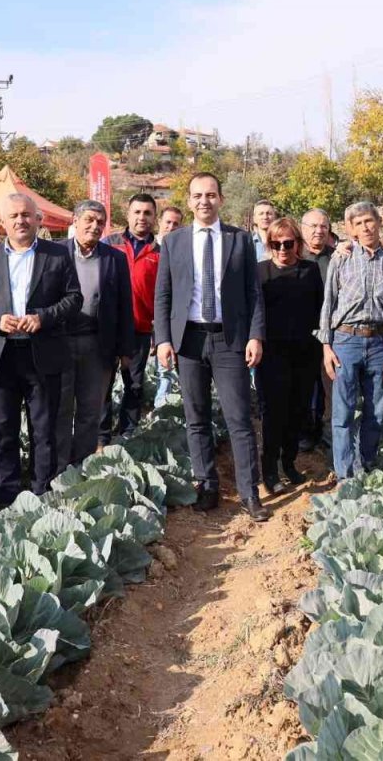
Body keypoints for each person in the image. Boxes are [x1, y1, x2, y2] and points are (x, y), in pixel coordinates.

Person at [154, 172, 269, 522]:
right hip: (189, 340)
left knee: (238, 420)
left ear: (220, 198)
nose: (204, 201)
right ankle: (207, 487)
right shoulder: (174, 242)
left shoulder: (239, 240)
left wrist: (255, 335)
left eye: (211, 195)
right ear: (189, 201)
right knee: (196, 419)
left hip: (229, 339)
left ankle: (250, 494)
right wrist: (162, 339)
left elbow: (253, 293)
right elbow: (164, 295)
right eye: (197, 195)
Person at [0, 193, 83, 504]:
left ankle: (43, 493)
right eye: (14, 216)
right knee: (2, 431)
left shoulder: (57, 255)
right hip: (0, 358)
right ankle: (7, 497)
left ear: (38, 219)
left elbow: (74, 299)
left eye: (27, 215)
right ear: (3, 222)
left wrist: (42, 318)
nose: (21, 221)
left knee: (44, 431)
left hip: (42, 354)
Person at [318, 201, 383, 482]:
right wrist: (326, 347)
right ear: (351, 230)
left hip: (380, 343)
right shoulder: (341, 258)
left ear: (379, 222)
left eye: (370, 221)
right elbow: (328, 304)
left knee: (376, 411)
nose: (366, 227)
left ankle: (366, 464)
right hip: (345, 341)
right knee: (342, 412)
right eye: (358, 224)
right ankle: (344, 474)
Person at [58, 200, 134, 470]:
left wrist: (125, 349)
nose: (95, 226)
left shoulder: (115, 258)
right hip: (60, 343)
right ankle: (59, 464)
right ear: (75, 221)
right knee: (61, 407)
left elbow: (125, 305)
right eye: (89, 219)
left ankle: (82, 464)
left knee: (92, 409)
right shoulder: (55, 253)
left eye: (100, 222)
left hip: (98, 345)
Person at [258, 217, 324, 491]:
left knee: (298, 411)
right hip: (272, 354)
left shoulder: (310, 271)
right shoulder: (260, 272)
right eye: (276, 244)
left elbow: (321, 307)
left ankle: (289, 462)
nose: (282, 249)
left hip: (305, 352)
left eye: (288, 243)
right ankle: (270, 471)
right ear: (270, 245)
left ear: (298, 243)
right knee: (274, 413)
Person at [101, 193, 159, 443]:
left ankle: (127, 433)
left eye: (147, 213)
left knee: (134, 386)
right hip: (107, 329)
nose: (142, 217)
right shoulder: (108, 243)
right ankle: (101, 435)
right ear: (128, 214)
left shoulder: (160, 251)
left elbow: (163, 295)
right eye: (137, 212)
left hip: (140, 330)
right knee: (102, 384)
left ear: (154, 217)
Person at [299, 208, 335, 451]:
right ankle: (304, 431)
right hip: (301, 331)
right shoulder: (292, 255)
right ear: (302, 229)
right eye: (313, 226)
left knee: (328, 385)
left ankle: (326, 431)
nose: (318, 231)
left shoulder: (338, 257)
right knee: (303, 384)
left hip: (331, 333)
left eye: (323, 226)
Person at [153, 205, 184, 404]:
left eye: (176, 224)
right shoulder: (150, 247)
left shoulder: (183, 250)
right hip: (148, 318)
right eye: (168, 222)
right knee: (159, 370)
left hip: (173, 318)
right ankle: (159, 408)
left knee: (169, 368)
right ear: (160, 223)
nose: (171, 227)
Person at [250, 199, 277, 263]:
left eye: (269, 213)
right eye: (261, 214)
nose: (265, 217)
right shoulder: (248, 243)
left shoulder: (283, 242)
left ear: (275, 217)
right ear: (254, 219)